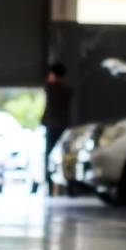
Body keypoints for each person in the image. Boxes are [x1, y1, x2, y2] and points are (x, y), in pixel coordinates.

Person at [42, 62, 74, 191]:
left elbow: (45, 86)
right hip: (64, 125)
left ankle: (50, 185)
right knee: (65, 155)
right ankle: (69, 186)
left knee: (50, 155)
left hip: (52, 126)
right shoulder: (68, 89)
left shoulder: (50, 87)